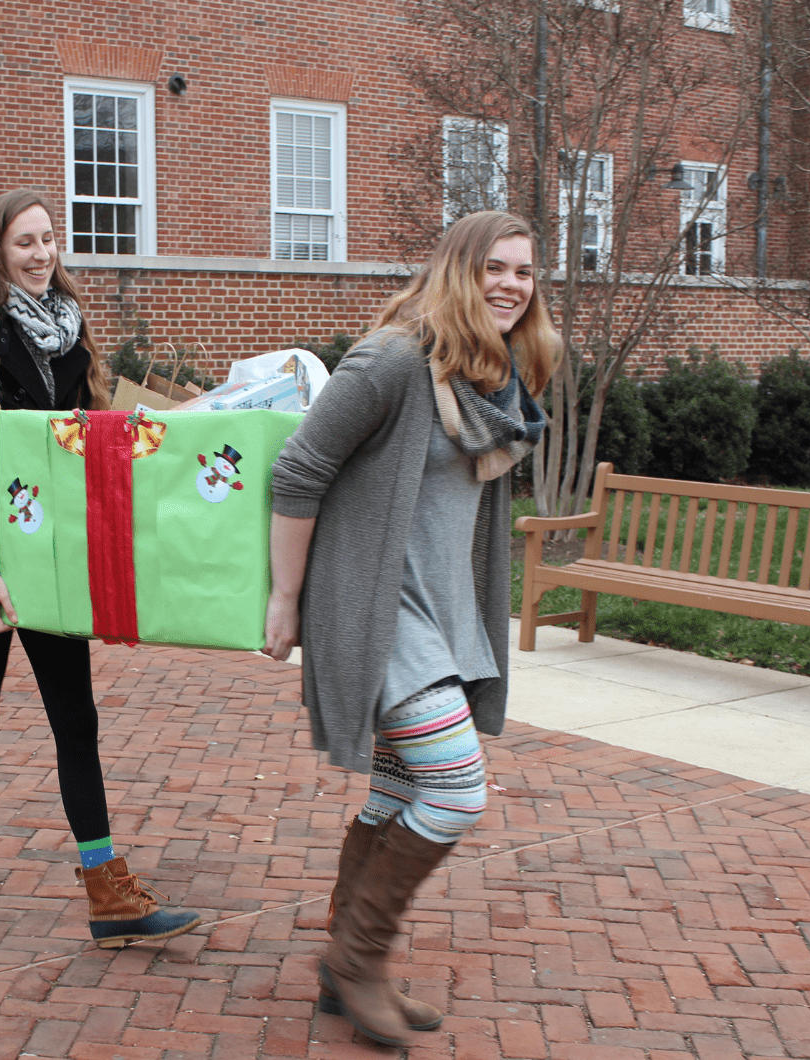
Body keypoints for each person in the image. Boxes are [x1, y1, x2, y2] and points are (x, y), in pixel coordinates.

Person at [265, 211, 558, 1045]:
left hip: (442, 612)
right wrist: (288, 601)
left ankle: (343, 967)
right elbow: (299, 468)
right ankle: (361, 960)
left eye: (524, 272)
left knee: (399, 790)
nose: (508, 284)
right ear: (456, 270)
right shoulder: (395, 359)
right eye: (492, 268)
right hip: (379, 608)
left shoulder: (495, 379)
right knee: (459, 790)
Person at [0, 189, 202, 948]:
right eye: (24, 244)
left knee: (76, 716)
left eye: (48, 240)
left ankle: (108, 891)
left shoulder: (68, 331)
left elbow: (85, 442)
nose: (41, 255)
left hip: (49, 553)